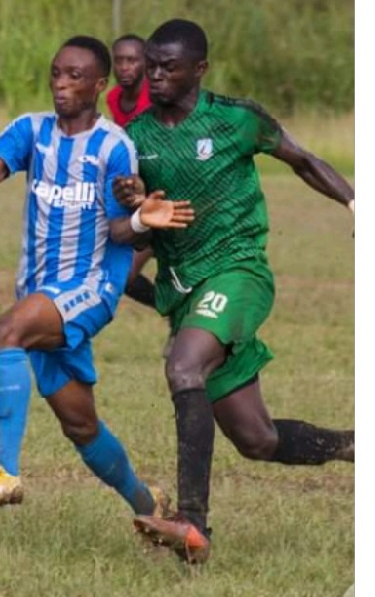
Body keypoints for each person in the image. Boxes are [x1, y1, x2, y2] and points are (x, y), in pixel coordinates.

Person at [112, 18, 355, 565]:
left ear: (199, 68)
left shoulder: (236, 120)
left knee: (182, 367)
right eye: (149, 65)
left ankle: (192, 523)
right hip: (189, 293)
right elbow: (131, 226)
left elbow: (303, 160)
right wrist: (134, 209)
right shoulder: (135, 138)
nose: (154, 76)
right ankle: (352, 445)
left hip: (239, 273)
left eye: (168, 67)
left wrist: (355, 202)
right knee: (257, 439)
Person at [0, 36, 194, 521]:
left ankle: (5, 474)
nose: (61, 83)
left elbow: (121, 230)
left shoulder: (114, 147)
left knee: (7, 330)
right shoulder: (30, 130)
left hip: (91, 287)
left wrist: (143, 218)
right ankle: (152, 507)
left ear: (98, 86)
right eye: (56, 73)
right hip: (40, 291)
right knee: (80, 427)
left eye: (74, 76)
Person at [106, 33, 156, 309]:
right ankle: (173, 313)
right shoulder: (113, 98)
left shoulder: (157, 98)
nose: (124, 67)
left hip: (161, 195)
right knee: (123, 276)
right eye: (119, 61)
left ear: (146, 65)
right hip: (133, 197)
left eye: (132, 60)